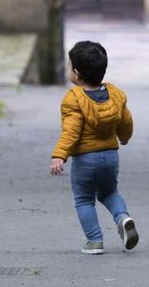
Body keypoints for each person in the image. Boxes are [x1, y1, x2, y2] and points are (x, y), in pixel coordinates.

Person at [50, 40, 138, 255]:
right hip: (110, 156)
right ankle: (123, 218)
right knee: (109, 192)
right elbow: (126, 121)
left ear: (77, 72)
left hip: (86, 160)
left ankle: (95, 241)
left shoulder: (74, 98)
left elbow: (71, 131)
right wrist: (124, 138)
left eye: (70, 65)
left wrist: (59, 155)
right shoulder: (115, 94)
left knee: (83, 199)